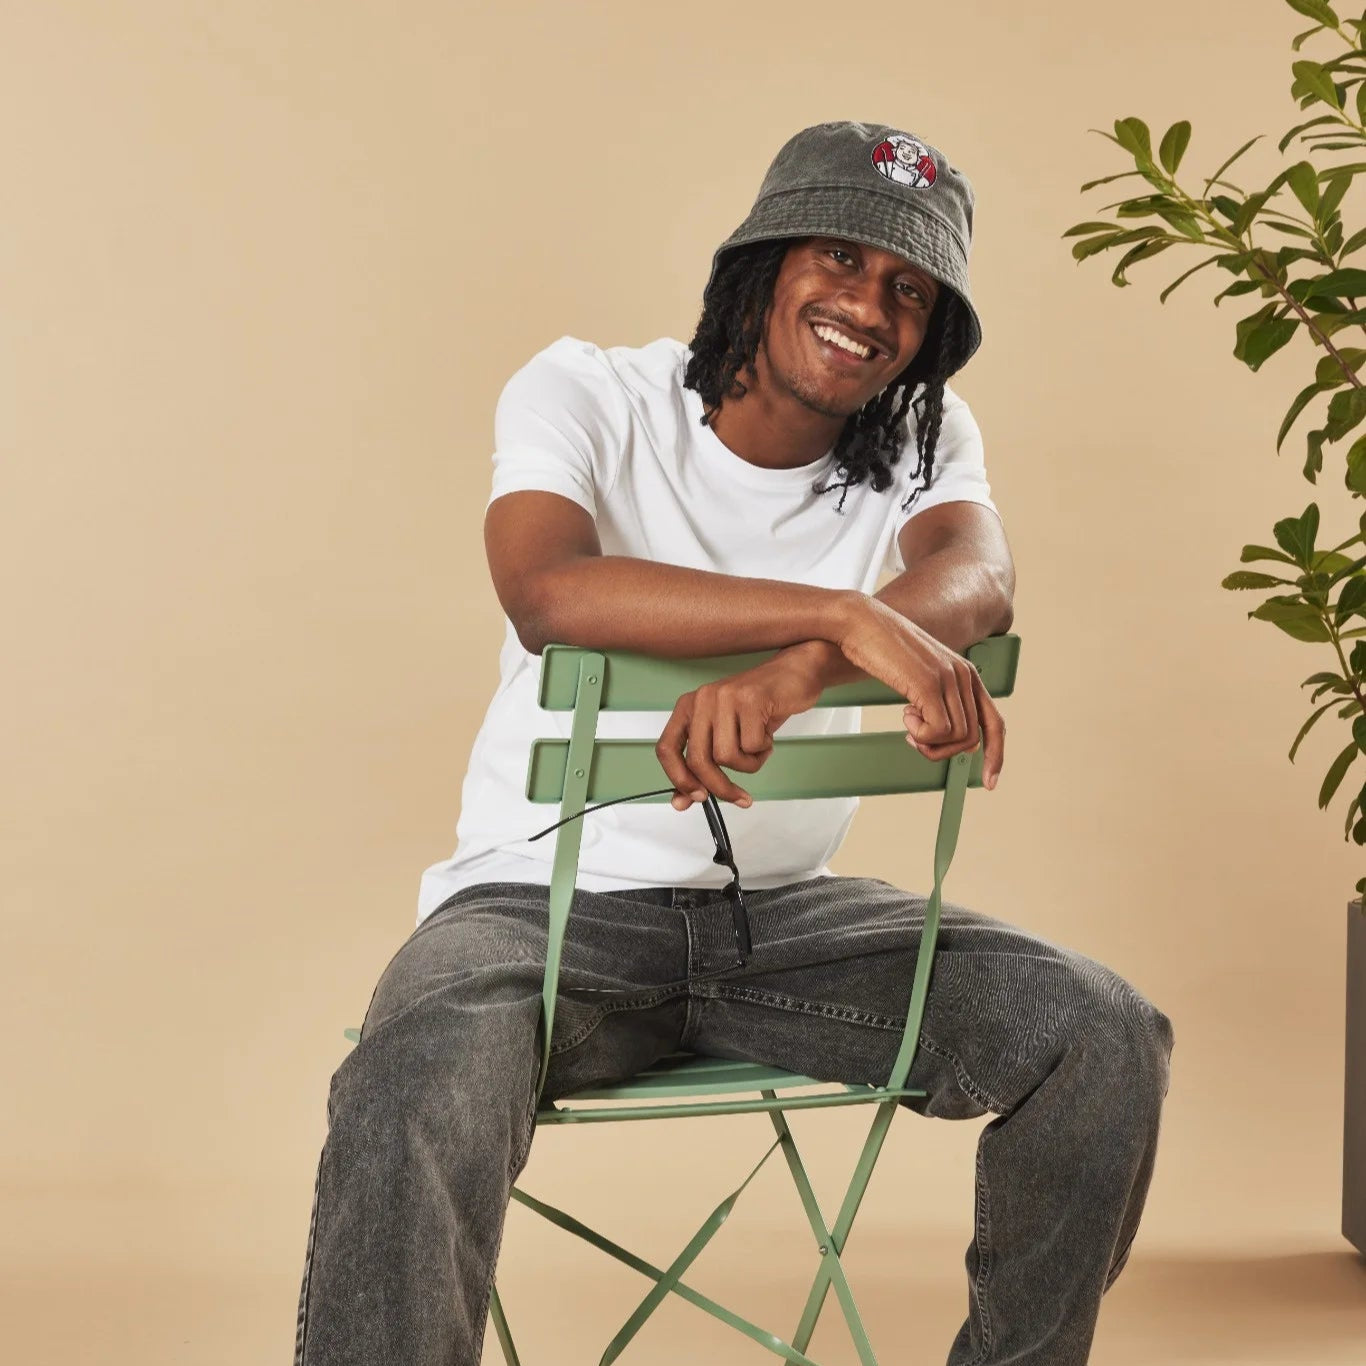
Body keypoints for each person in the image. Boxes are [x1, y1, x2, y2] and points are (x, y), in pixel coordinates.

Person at [292, 119, 1175, 1366]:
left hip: (789, 925)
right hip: (540, 912)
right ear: (762, 263)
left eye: (909, 291)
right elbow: (546, 589)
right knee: (415, 1070)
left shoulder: (925, 438)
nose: (868, 306)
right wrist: (842, 616)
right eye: (841, 258)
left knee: (1100, 1029)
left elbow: (980, 577)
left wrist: (797, 670)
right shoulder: (588, 391)